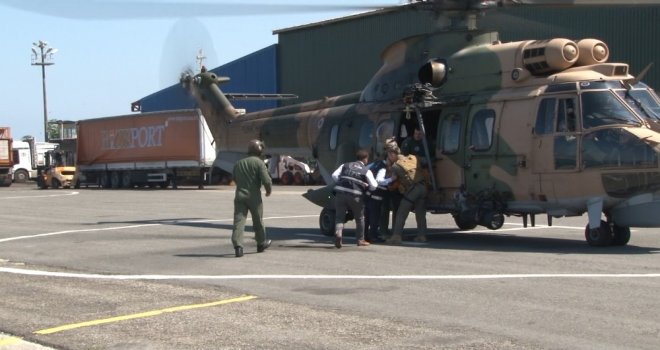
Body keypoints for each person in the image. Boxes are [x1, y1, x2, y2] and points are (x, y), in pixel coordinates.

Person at [231, 139, 273, 258]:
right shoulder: (259, 163)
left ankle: (238, 247)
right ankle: (260, 243)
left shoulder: (239, 163)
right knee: (258, 220)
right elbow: (266, 180)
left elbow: (234, 178)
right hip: (254, 196)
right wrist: (268, 190)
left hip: (239, 195)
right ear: (259, 150)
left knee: (239, 221)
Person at [331, 149, 378, 248]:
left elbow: (334, 175)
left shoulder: (345, 165)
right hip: (355, 196)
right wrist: (366, 187)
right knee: (360, 218)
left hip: (340, 194)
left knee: (339, 217)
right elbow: (374, 185)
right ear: (365, 159)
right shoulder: (366, 170)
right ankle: (360, 240)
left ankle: (339, 233)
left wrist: (342, 181)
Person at [386, 148, 428, 244]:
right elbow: (424, 163)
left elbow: (392, 181)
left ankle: (396, 236)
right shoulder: (412, 158)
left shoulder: (396, 166)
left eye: (388, 156)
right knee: (420, 213)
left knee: (401, 212)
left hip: (413, 190)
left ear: (393, 154)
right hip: (423, 187)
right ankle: (422, 236)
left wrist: (389, 165)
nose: (388, 158)